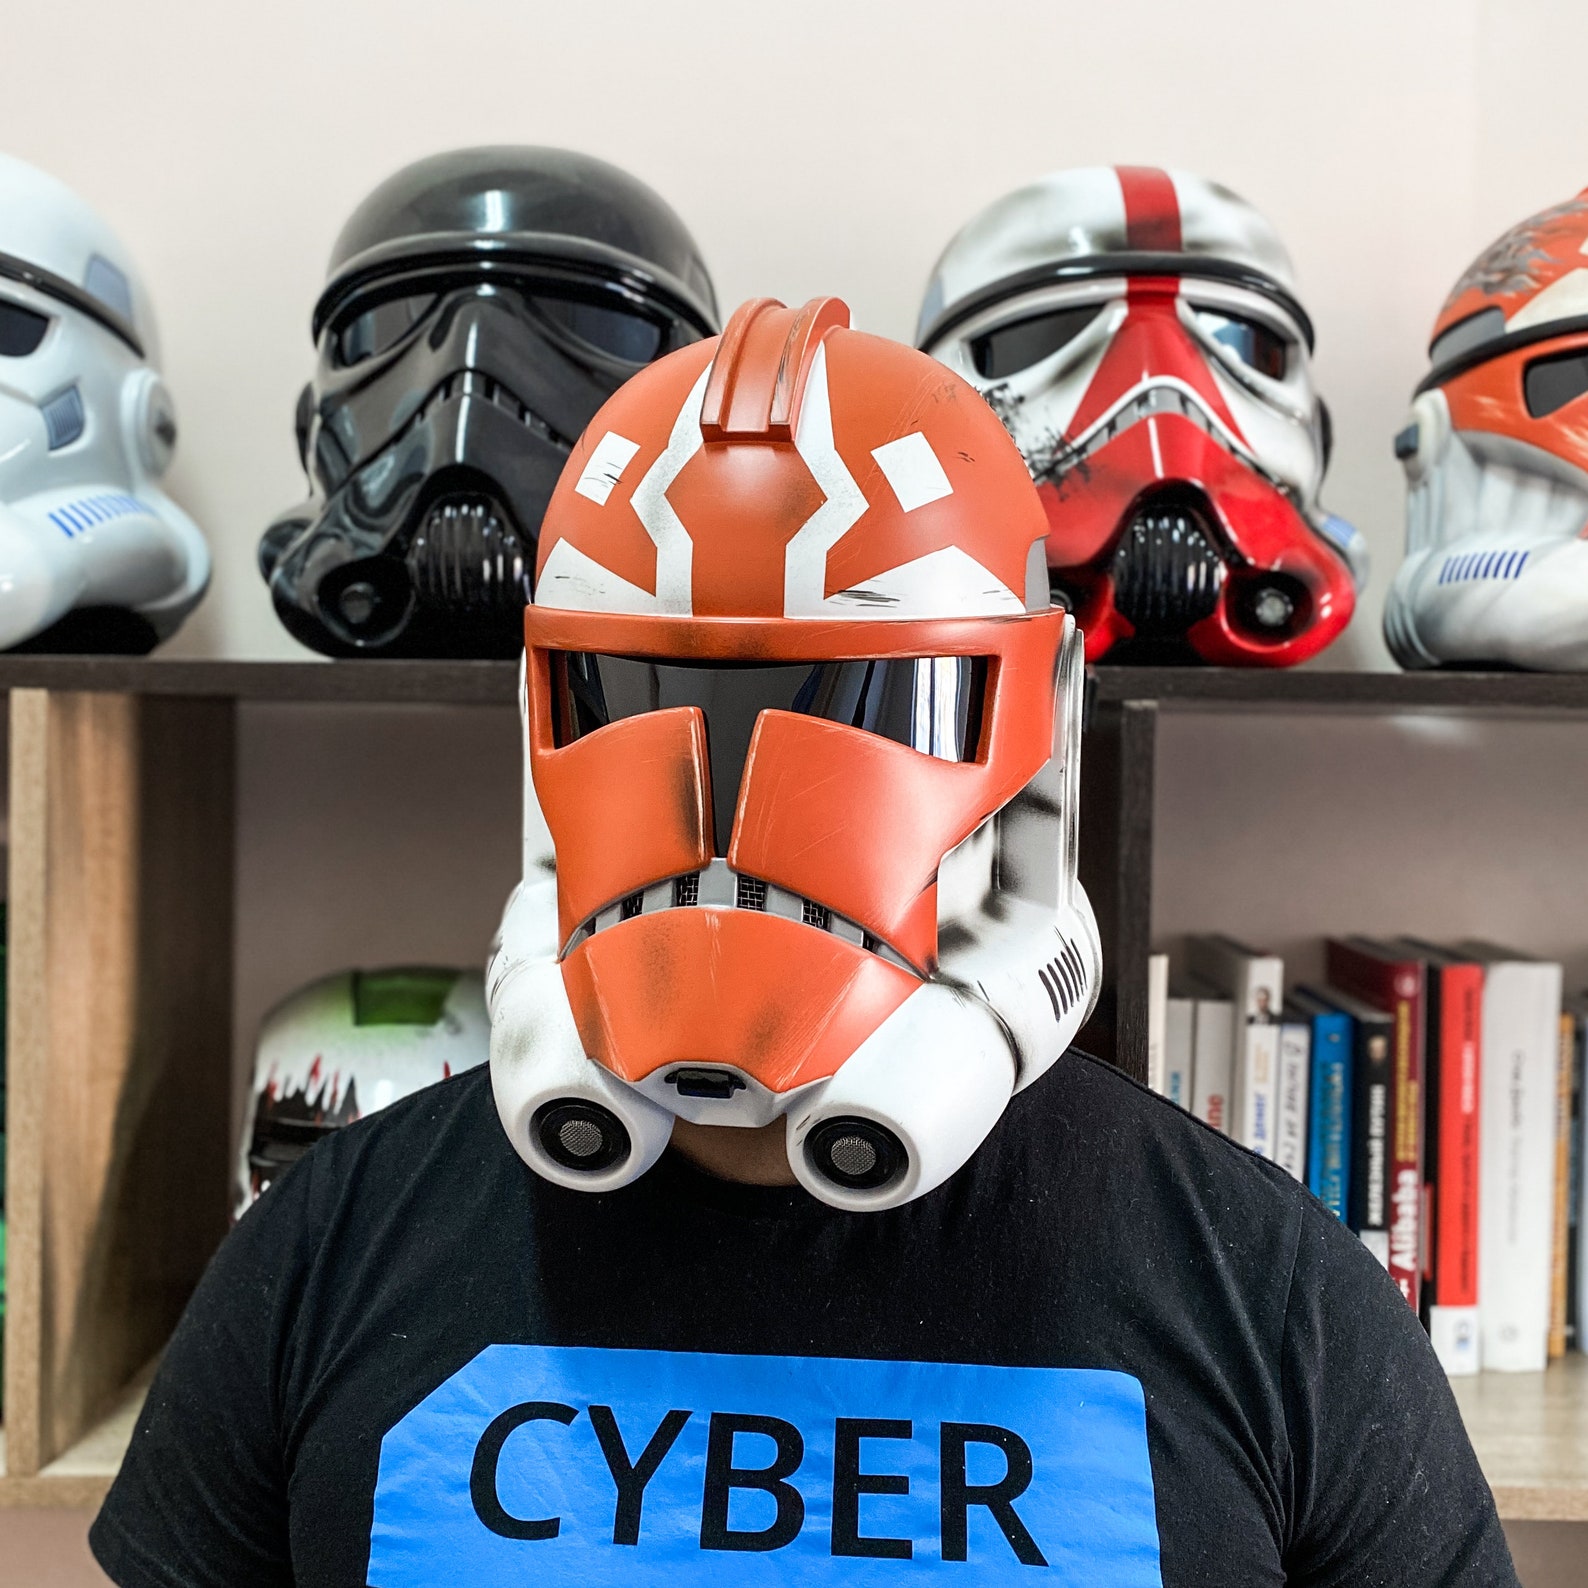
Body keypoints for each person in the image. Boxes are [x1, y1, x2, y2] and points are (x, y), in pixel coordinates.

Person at [91, 299, 1517, 1588]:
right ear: (542, 707)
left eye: (861, 702)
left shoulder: (1264, 1290)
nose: (733, 831)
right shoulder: (328, 1249)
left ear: (1043, 719)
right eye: (637, 693)